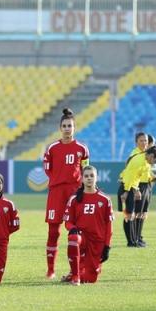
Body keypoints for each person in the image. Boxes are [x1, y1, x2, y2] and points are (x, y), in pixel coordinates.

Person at [42, 108, 89, 279]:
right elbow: (48, 170)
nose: (67, 128)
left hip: (75, 193)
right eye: (64, 126)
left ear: (74, 127)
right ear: (60, 128)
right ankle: (51, 269)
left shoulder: (82, 149)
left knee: (76, 230)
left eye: (70, 125)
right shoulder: (52, 148)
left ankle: (76, 269)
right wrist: (58, 180)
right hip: (56, 192)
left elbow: (86, 169)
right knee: (53, 231)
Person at [61, 165, 113, 285]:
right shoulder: (74, 199)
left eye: (92, 176)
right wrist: (72, 229)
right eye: (86, 176)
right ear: (82, 179)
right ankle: (75, 276)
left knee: (90, 279)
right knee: (73, 238)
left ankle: (76, 272)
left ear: (96, 178)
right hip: (82, 238)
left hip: (97, 242)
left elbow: (109, 226)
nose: (89, 178)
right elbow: (68, 222)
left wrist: (107, 246)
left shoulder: (105, 200)